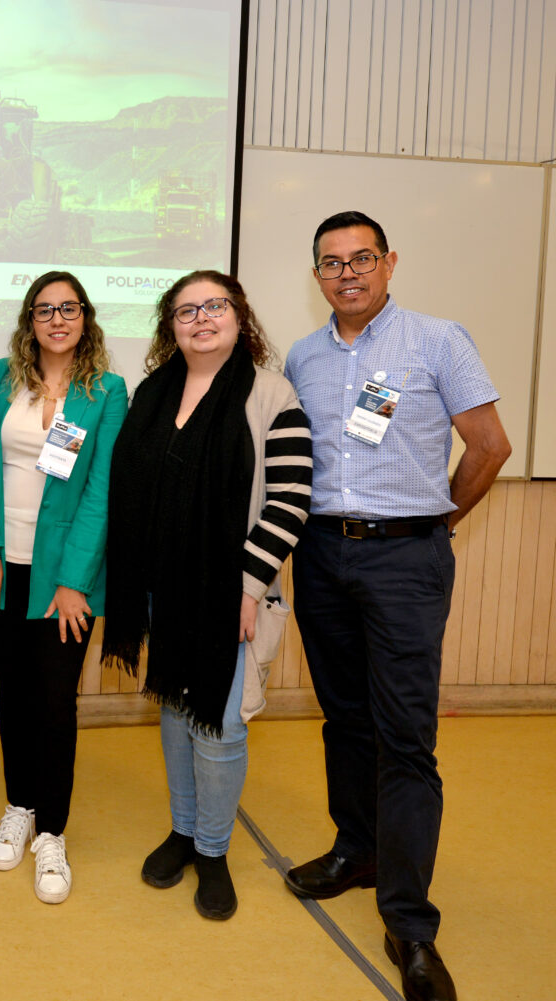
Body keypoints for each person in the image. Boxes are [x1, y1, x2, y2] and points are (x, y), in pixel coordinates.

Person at [283, 211, 510, 1001]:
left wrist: (438, 520)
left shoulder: (437, 340)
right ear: (316, 276)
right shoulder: (303, 356)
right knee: (343, 718)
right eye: (331, 263)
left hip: (406, 556)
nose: (347, 273)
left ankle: (410, 923)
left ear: (389, 263)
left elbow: (490, 445)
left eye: (362, 259)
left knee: (406, 738)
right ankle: (358, 849)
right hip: (319, 554)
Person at [102, 270, 312, 920]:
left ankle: (214, 851)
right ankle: (184, 831)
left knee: (219, 727)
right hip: (163, 589)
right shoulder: (152, 392)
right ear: (171, 325)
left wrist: (247, 586)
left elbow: (290, 500)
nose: (201, 318)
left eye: (214, 306)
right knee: (174, 710)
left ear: (239, 316)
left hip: (229, 595)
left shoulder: (272, 392)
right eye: (186, 310)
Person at [0, 272, 126, 904]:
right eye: (44, 309)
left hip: (66, 577)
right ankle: (19, 805)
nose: (57, 319)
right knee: (13, 695)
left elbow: (101, 491)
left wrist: (74, 581)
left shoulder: (107, 391)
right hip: (1, 568)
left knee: (55, 701)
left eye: (69, 308)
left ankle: (52, 835)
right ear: (29, 320)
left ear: (85, 317)